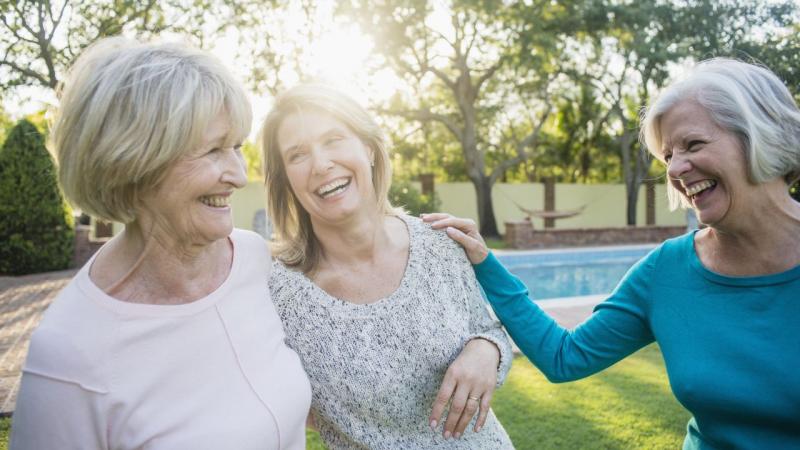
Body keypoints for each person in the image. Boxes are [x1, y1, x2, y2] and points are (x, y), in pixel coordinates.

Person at [425, 58, 800, 449]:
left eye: (693, 144)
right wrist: (486, 264)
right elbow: (564, 357)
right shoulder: (666, 270)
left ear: (761, 136)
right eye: (668, 155)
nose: (675, 169)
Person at [10, 38, 311, 449]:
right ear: (133, 163)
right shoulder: (69, 353)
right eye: (213, 150)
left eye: (237, 147)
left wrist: (434, 343)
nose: (239, 175)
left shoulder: (252, 259)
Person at [261, 84, 514, 449]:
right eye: (298, 155)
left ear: (368, 148)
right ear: (286, 178)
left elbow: (488, 328)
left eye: (333, 140)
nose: (320, 164)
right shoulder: (278, 294)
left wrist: (486, 349)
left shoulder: (440, 243)